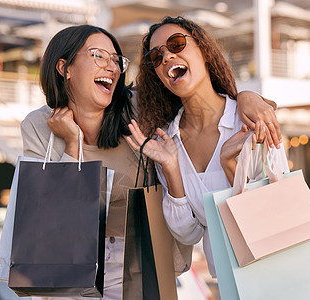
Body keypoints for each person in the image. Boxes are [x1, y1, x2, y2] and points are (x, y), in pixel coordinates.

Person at [21, 24, 283, 299]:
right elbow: (50, 217)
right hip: (73, 265)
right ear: (65, 68)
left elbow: (199, 99)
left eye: (115, 60)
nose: (111, 67)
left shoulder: (139, 110)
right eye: (98, 55)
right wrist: (72, 147)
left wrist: (246, 97)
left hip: (140, 266)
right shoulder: (40, 128)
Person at [126, 16, 290, 278]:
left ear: (203, 50)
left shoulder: (248, 118)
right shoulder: (166, 141)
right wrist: (171, 170)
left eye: (176, 44)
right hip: (228, 284)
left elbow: (278, 206)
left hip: (279, 276)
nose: (166, 57)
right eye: (156, 57)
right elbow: (188, 235)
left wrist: (231, 166)